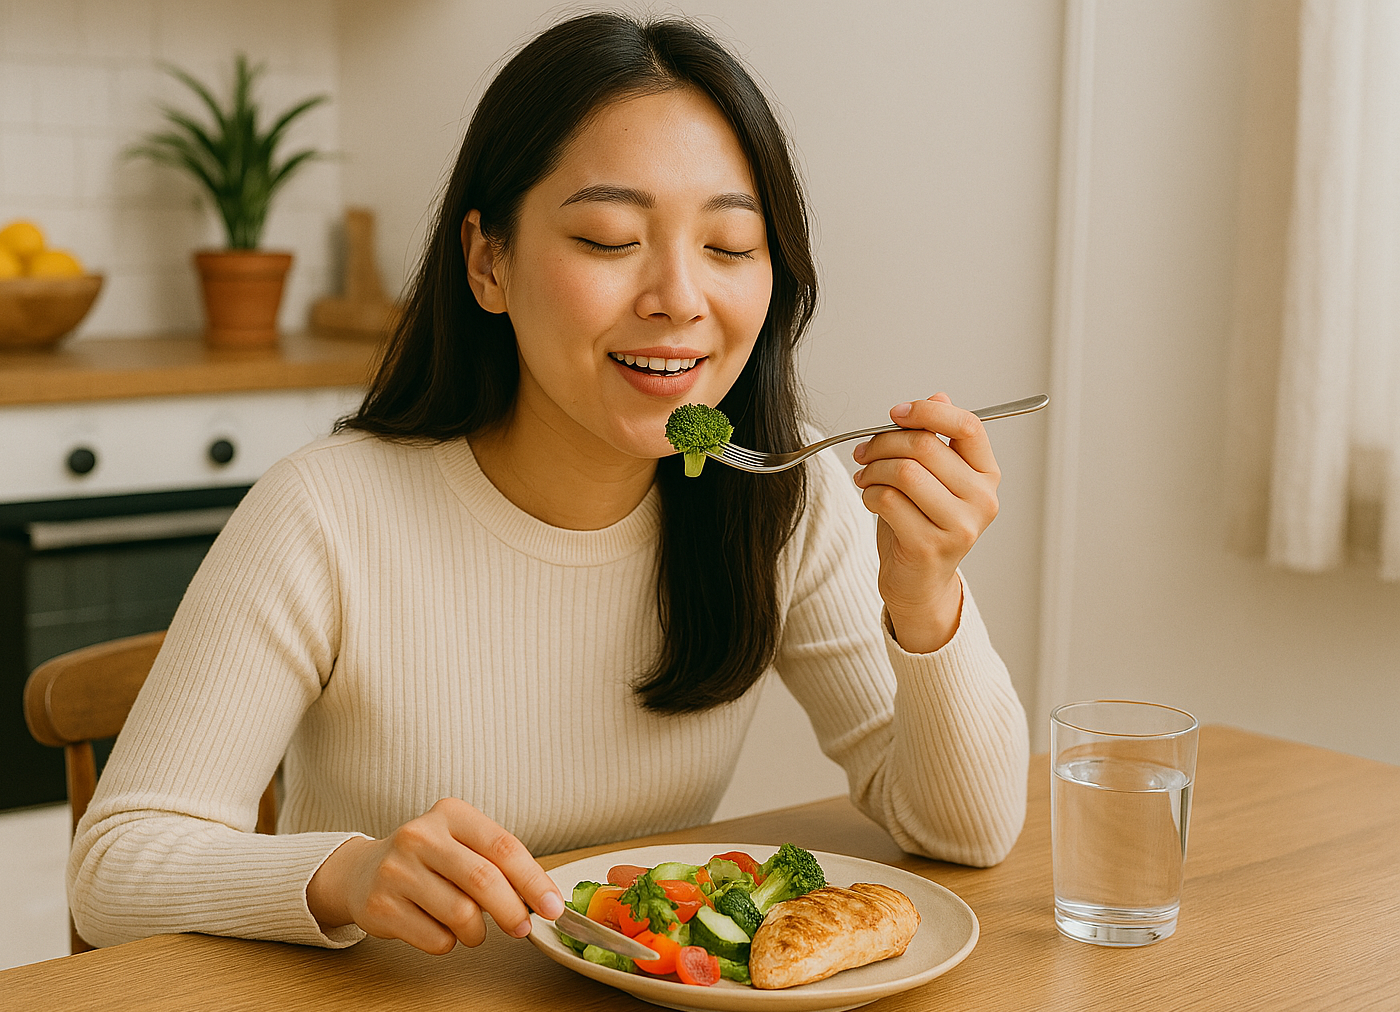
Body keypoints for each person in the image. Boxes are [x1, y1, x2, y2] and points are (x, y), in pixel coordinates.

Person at [68, 11, 1028, 955]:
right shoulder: (326, 513)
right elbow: (115, 869)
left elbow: (966, 833)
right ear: (490, 261)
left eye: (730, 248)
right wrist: (346, 874)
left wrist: (926, 595)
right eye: (610, 239)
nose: (680, 299)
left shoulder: (786, 495)